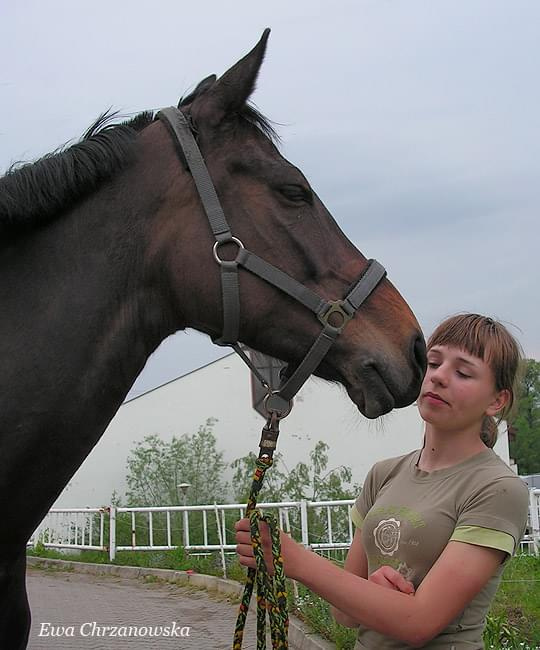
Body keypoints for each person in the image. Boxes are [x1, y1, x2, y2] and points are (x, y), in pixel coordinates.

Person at [235, 313, 529, 649]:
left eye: (463, 372)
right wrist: (373, 593)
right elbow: (343, 615)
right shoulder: (384, 474)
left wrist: (295, 560)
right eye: (433, 364)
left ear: (496, 401)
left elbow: (418, 622)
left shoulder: (497, 488)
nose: (439, 377)